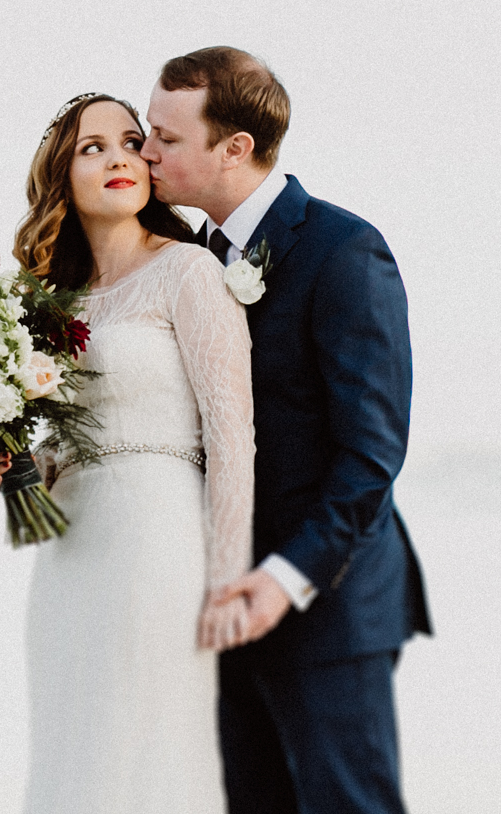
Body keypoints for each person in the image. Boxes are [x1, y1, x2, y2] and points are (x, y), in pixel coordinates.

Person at [145, 48, 432, 814]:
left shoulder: (344, 250)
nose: (145, 152)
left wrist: (284, 578)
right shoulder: (186, 261)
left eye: (165, 137)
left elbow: (371, 455)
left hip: (327, 607)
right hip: (221, 609)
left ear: (234, 147)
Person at [0, 92, 258, 814]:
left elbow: (233, 432)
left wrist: (229, 582)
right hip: (69, 555)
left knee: (147, 748)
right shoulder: (54, 304)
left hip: (158, 542)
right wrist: (18, 464)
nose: (118, 155)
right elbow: (62, 441)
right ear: (63, 174)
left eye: (130, 140)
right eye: (92, 146)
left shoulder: (188, 271)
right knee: (74, 749)